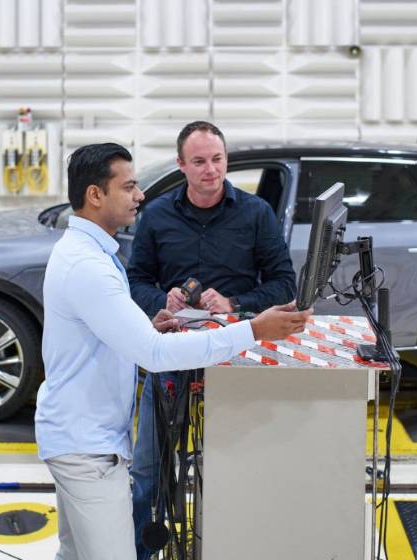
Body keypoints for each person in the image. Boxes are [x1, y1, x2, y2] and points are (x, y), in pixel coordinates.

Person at [36, 142, 310, 560]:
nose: (140, 195)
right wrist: (253, 329)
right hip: (86, 450)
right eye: (128, 187)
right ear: (95, 195)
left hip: (79, 437)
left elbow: (110, 332)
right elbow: (156, 356)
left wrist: (146, 324)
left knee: (73, 555)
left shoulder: (89, 253)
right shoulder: (87, 266)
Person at [126, 121, 297, 558]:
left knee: (235, 467)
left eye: (217, 159)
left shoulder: (256, 213)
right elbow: (135, 280)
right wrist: (158, 300)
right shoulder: (157, 215)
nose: (210, 170)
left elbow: (283, 284)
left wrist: (234, 303)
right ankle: (143, 551)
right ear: (182, 165)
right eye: (199, 161)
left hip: (234, 352)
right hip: (172, 354)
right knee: (149, 468)